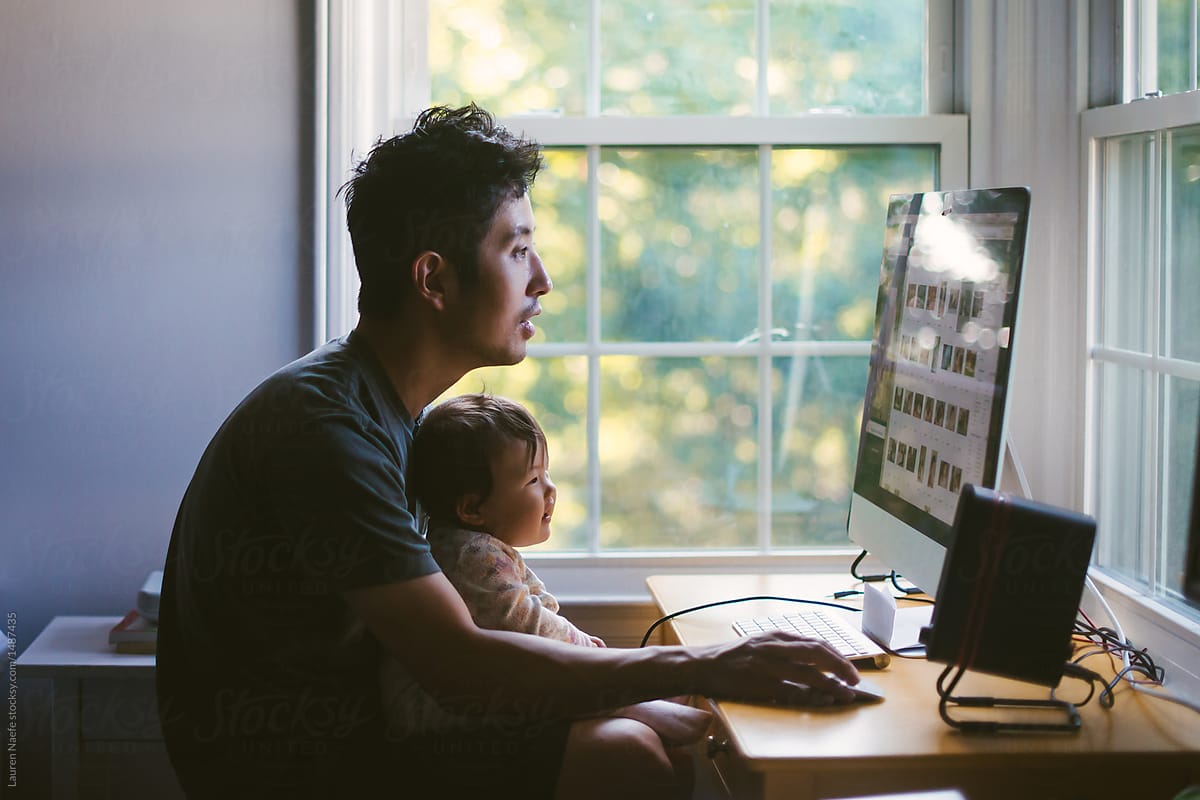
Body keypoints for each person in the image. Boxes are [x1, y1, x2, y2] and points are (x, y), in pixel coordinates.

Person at [156, 103, 861, 800]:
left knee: (649, 737)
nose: (542, 279)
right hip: (303, 773)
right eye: (518, 249)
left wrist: (680, 672)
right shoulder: (327, 429)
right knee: (626, 754)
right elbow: (456, 664)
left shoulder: (387, 409)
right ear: (433, 279)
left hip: (364, 736)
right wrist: (702, 665)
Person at [382, 394, 713, 791]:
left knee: (672, 755)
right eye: (533, 480)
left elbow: (541, 610)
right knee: (635, 732)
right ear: (472, 508)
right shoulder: (471, 556)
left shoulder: (485, 548)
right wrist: (601, 664)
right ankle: (623, 701)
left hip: (481, 696)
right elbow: (530, 627)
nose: (551, 490)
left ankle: (624, 700)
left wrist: (594, 655)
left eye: (547, 475)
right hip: (439, 718)